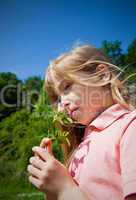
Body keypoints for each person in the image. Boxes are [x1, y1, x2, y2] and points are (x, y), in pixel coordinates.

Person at [27, 45, 136, 200]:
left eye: (67, 87)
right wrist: (52, 190)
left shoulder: (130, 126)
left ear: (102, 75)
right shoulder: (81, 146)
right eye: (57, 99)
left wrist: (64, 188)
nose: (62, 103)